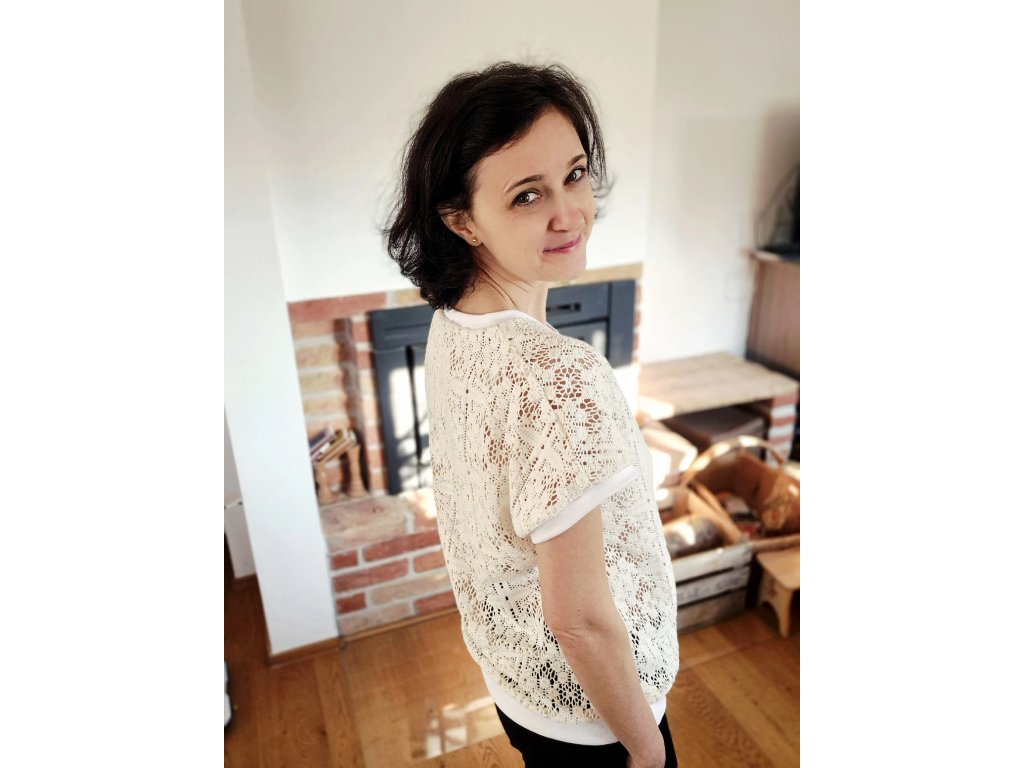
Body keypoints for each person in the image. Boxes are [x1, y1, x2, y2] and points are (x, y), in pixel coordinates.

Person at [384, 62, 680, 768]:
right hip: (597, 717)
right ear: (461, 219)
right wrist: (646, 751)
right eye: (526, 195)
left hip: (517, 684)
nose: (568, 212)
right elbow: (579, 620)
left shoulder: (453, 324)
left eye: (574, 175)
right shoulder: (558, 377)